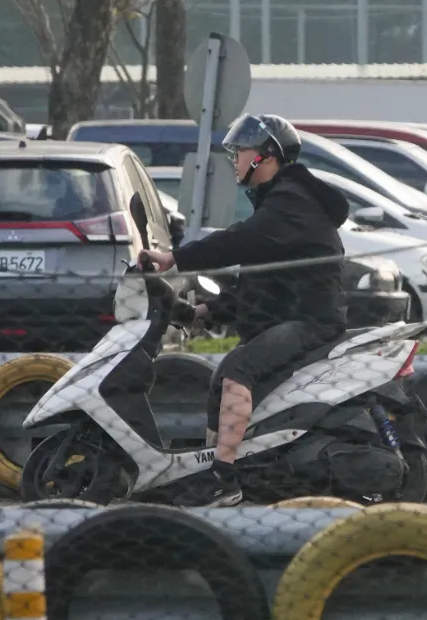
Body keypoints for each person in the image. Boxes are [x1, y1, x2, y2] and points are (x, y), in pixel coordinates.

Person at [139, 113, 350, 507]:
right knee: (223, 377)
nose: (234, 158)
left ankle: (224, 478)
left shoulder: (291, 202)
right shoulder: (280, 204)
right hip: (289, 314)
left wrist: (174, 258)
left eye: (241, 151)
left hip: (311, 321)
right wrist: (203, 313)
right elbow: (260, 282)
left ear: (266, 156)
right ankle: (207, 470)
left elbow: (238, 242)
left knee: (240, 370)